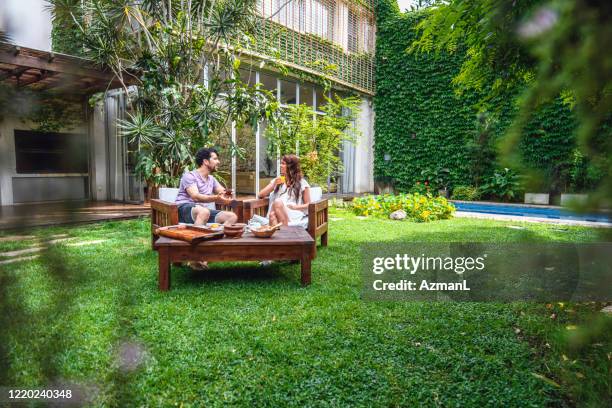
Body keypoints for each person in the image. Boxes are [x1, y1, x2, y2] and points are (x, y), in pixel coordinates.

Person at [175, 148, 237, 226]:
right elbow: (195, 196)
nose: (218, 162)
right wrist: (216, 197)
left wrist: (228, 193)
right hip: (183, 209)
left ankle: (219, 235)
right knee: (204, 212)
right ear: (205, 161)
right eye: (215, 159)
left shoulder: (211, 179)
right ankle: (197, 237)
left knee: (232, 217)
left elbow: (222, 192)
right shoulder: (189, 176)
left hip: (203, 211)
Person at [257, 154, 311, 227]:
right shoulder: (278, 180)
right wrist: (274, 184)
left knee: (275, 207)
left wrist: (295, 207)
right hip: (276, 209)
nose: (280, 166)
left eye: (283, 164)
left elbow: (309, 204)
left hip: (292, 212)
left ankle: (279, 232)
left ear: (291, 166)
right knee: (273, 215)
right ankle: (284, 235)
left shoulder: (302, 183)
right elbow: (260, 194)